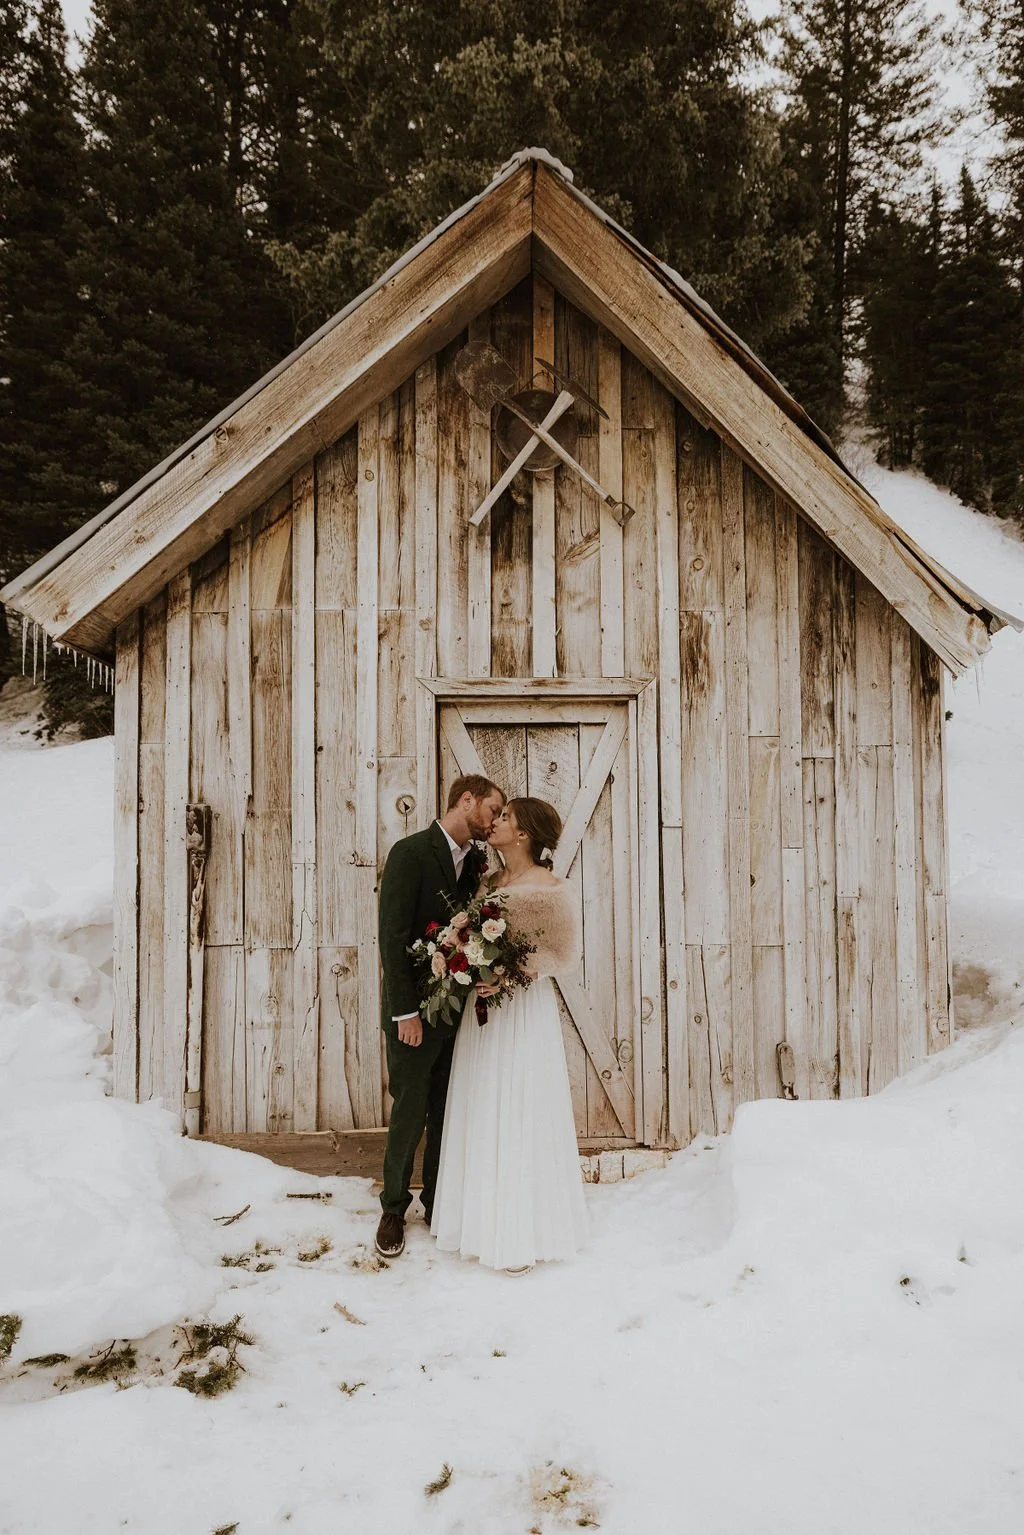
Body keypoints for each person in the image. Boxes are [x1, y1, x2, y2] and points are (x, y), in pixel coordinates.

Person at [430, 797, 590, 1273]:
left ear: (523, 835)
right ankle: (480, 1222)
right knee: (483, 1101)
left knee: (521, 1103)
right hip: (484, 1014)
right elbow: (476, 935)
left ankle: (523, 1229)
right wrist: (463, 958)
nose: (494, 822)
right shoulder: (489, 882)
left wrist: (509, 977)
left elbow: (561, 954)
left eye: (505, 818)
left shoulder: (551, 888)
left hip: (522, 1011)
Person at [375, 774, 505, 1259]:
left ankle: (435, 1200)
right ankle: (392, 1207)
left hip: (457, 1012)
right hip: (415, 1013)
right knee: (409, 1109)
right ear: (465, 800)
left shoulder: (475, 863)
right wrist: (404, 1013)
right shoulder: (410, 853)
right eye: (492, 810)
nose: (494, 822)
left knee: (446, 1109)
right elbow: (392, 938)